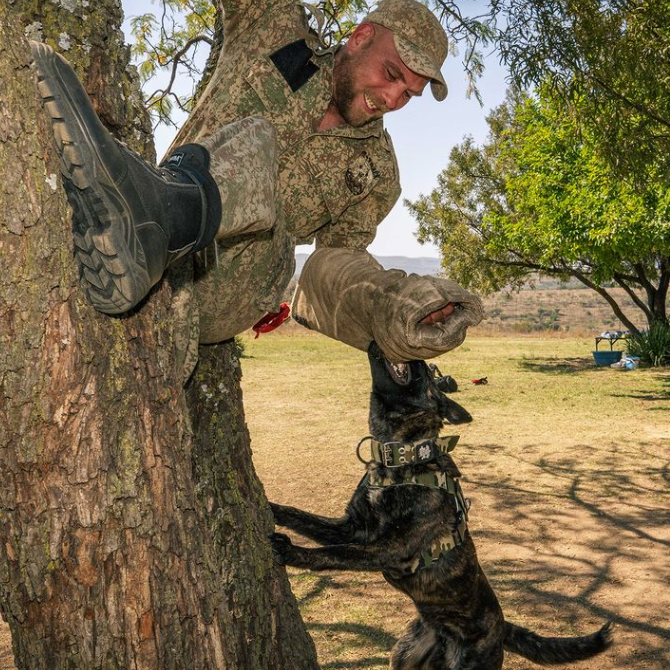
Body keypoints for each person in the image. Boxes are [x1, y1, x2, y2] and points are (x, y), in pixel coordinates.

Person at [30, 0, 484, 380]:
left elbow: (331, 268)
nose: (390, 99)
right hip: (142, 238)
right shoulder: (274, 32)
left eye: (408, 94)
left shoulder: (378, 174)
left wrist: (393, 308)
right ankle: (143, 225)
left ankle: (150, 223)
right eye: (390, 73)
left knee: (269, 192)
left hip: (224, 287)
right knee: (256, 138)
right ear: (361, 36)